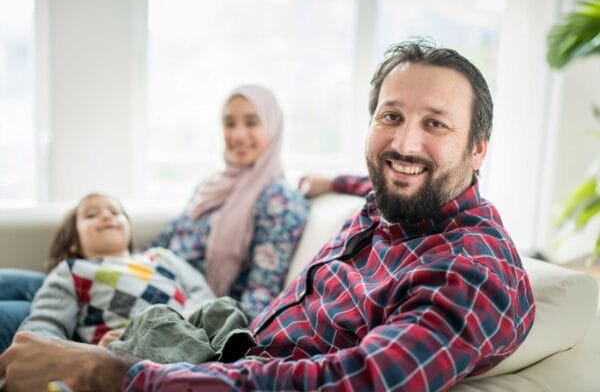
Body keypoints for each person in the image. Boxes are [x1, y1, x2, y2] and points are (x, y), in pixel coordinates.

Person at [0, 40, 535, 392]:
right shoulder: (394, 205)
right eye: (390, 116)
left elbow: (362, 380)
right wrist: (334, 183)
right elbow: (389, 171)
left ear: (478, 149)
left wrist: (116, 372)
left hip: (211, 365)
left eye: (436, 124)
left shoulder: (470, 271)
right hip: (215, 349)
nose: (404, 142)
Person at [0, 84, 309, 351]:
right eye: (229, 123)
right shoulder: (211, 187)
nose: (238, 134)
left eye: (251, 122)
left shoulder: (279, 202)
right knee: (26, 282)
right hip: (138, 276)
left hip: (177, 304)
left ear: (272, 126)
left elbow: (262, 293)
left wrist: (210, 330)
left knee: (23, 314)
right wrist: (114, 261)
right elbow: (162, 242)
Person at [17, 192, 215, 347]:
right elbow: (47, 321)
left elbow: (203, 293)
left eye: (115, 212)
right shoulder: (73, 270)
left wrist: (188, 316)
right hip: (122, 351)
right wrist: (39, 352)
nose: (106, 215)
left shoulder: (162, 257)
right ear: (73, 243)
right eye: (91, 215)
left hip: (187, 337)